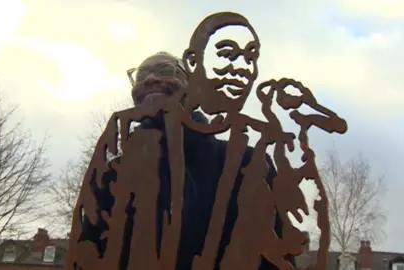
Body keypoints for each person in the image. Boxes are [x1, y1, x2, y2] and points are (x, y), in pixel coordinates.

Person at [127, 50, 297, 269]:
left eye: (165, 70)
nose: (150, 79)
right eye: (141, 76)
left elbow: (276, 258)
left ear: (192, 87)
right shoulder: (114, 174)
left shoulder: (246, 165)